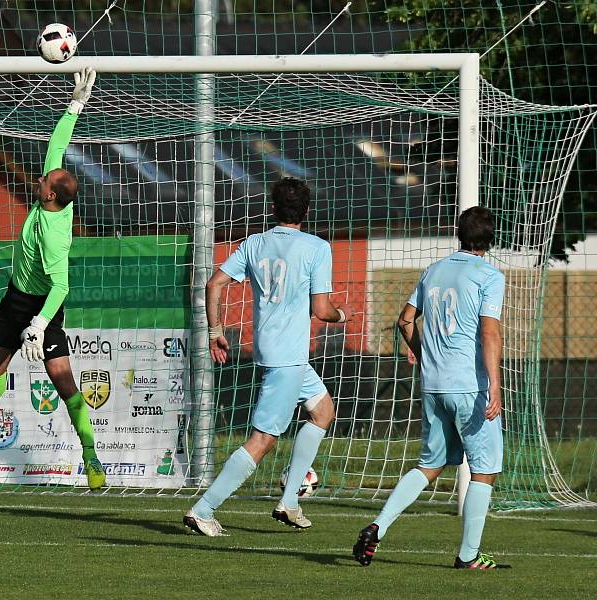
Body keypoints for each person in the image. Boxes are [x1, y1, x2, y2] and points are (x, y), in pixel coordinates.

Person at [0, 67, 106, 491]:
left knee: (62, 378)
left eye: (44, 181)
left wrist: (38, 325)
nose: (39, 178)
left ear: (51, 195)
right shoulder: (53, 196)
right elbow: (57, 144)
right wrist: (76, 104)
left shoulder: (56, 236)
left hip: (43, 307)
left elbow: (62, 286)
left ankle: (90, 456)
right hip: (16, 296)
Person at [183, 177, 352, 536]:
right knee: (263, 440)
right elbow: (322, 310)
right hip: (287, 358)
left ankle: (289, 501)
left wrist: (215, 333)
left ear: (273, 209)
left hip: (274, 351)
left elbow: (214, 284)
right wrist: (342, 315)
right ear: (306, 211)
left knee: (323, 412)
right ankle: (203, 508)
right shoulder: (317, 247)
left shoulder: (255, 243)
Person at [353, 206, 508, 569]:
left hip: (434, 386)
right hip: (470, 387)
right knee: (484, 470)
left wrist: (422, 354)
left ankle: (378, 525)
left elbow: (405, 321)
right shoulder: (489, 275)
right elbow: (489, 331)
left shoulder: (433, 271)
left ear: (459, 234)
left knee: (431, 464)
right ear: (490, 239)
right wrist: (495, 384)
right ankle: (468, 556)